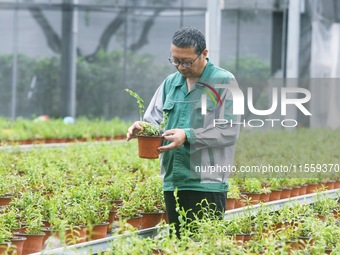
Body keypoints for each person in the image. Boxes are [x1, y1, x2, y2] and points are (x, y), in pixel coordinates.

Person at [127, 27, 240, 237]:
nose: (180, 67)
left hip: (207, 183)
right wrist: (142, 127)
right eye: (175, 60)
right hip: (173, 179)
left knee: (205, 245)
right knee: (179, 244)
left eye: (186, 61)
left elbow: (229, 130)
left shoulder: (225, 82)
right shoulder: (170, 84)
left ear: (204, 53)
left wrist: (188, 135)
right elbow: (154, 121)